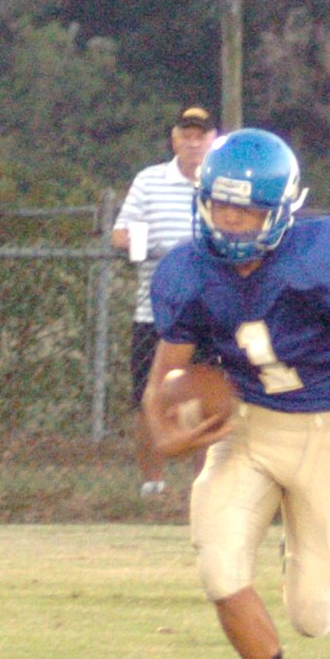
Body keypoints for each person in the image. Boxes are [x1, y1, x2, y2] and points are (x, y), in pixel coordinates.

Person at [142, 128, 330, 659]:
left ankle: (299, 538)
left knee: (314, 614)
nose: (233, 223)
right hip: (246, 429)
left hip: (325, 431)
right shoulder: (187, 271)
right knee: (219, 565)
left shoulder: (323, 254)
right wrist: (163, 431)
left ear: (284, 210)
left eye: (249, 210)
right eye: (223, 205)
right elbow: (165, 375)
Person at [112, 106, 218, 498]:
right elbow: (120, 235)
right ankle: (152, 486)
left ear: (213, 139)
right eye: (186, 135)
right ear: (175, 139)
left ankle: (203, 489)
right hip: (154, 313)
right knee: (148, 399)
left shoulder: (225, 182)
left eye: (200, 136)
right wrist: (147, 245)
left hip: (210, 314)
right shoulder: (150, 180)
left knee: (204, 401)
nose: (193, 143)